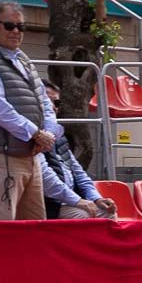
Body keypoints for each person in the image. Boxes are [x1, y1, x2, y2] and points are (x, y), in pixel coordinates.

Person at [0, 1, 63, 220]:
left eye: (21, 26)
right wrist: (36, 133)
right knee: (2, 225)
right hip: (3, 157)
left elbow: (44, 101)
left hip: (30, 155)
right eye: (10, 25)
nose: (16, 31)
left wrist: (48, 133)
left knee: (35, 224)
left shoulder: (24, 60)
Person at [36, 81, 117, 220]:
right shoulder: (32, 137)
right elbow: (47, 181)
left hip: (70, 201)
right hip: (50, 204)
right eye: (46, 102)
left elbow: (80, 174)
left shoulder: (60, 137)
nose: (52, 107)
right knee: (84, 215)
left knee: (108, 212)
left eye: (57, 103)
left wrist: (97, 199)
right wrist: (77, 201)